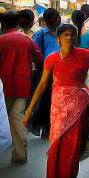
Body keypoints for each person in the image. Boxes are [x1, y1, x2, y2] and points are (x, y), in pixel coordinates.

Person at [23, 24, 89, 178]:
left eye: (72, 35)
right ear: (58, 38)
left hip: (80, 109)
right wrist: (29, 110)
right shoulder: (52, 59)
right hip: (59, 111)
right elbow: (42, 85)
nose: (69, 38)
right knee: (59, 150)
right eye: (65, 35)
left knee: (74, 151)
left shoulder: (86, 55)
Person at [0, 12, 43, 164]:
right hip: (23, 85)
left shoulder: (0, 40)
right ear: (17, 24)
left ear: (3, 24)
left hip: (3, 86)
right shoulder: (27, 40)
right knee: (17, 119)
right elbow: (39, 58)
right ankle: (20, 153)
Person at [31, 8, 61, 138]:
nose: (56, 20)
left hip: (61, 74)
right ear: (46, 20)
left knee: (57, 101)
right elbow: (34, 54)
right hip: (45, 73)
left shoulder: (63, 34)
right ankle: (44, 126)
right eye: (52, 17)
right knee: (46, 100)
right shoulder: (40, 35)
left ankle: (53, 127)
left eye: (57, 17)